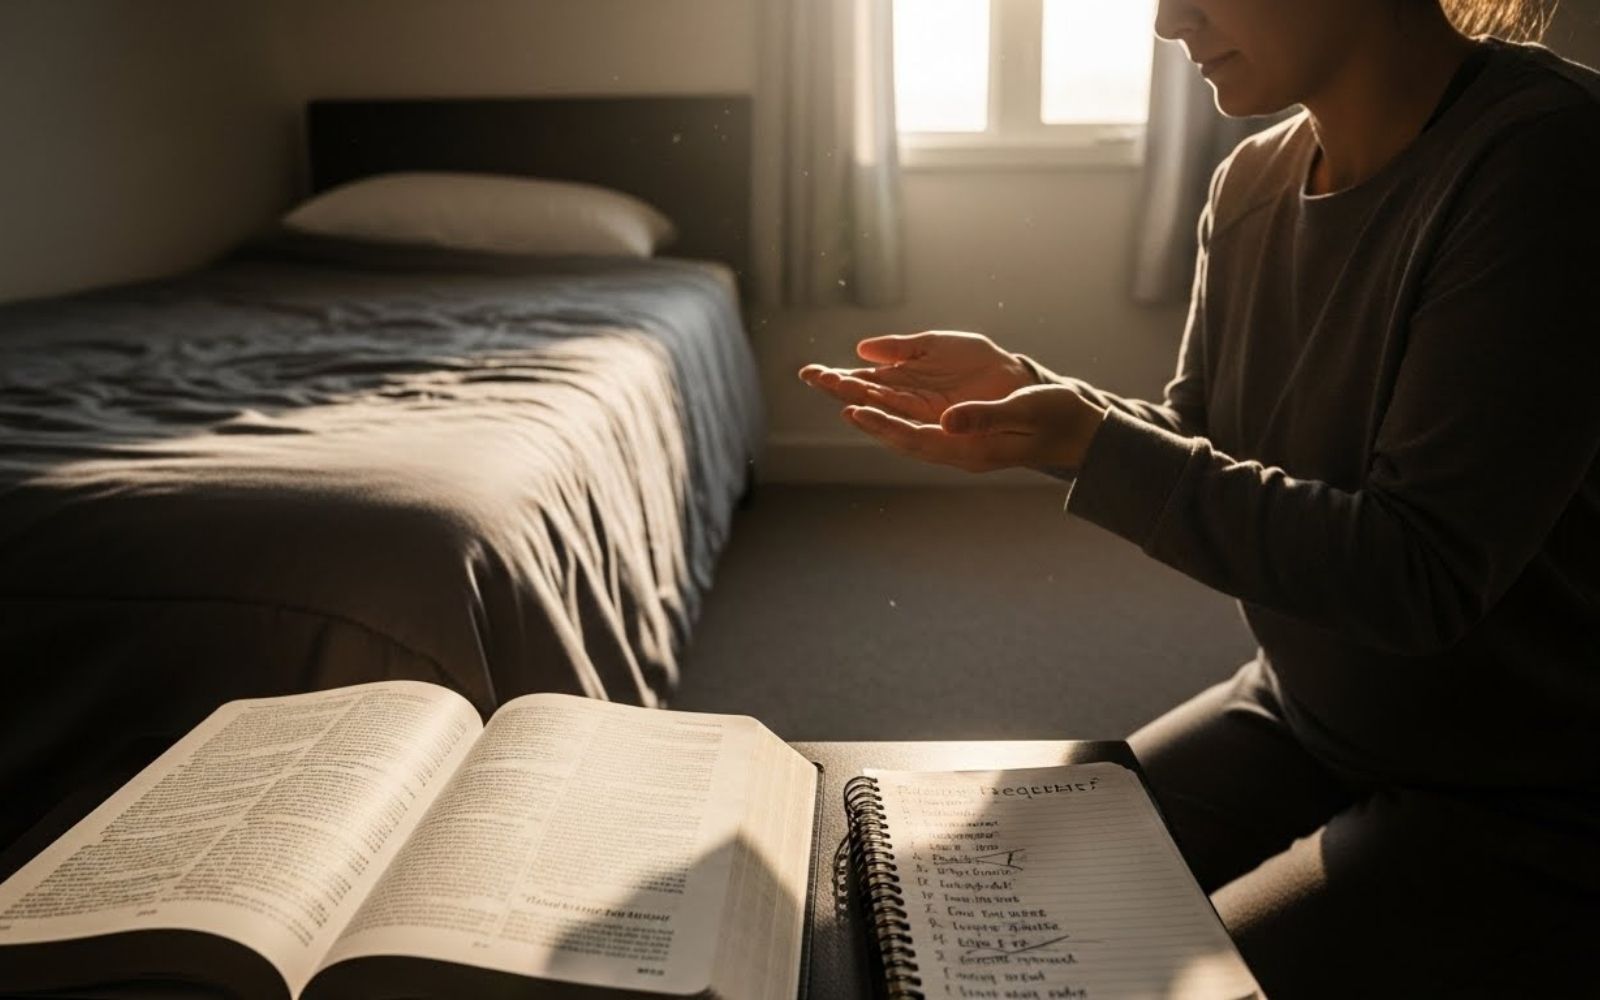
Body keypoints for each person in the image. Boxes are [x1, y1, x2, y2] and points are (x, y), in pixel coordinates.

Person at [799, 0, 1600, 995]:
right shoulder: (1251, 179)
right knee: (946, 906)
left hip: (1523, 786)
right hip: (1307, 706)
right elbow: (1206, 440)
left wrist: (1090, 442)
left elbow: (1417, 573)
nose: (1168, 21)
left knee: (1127, 980)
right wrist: (1035, 400)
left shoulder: (1549, 162)